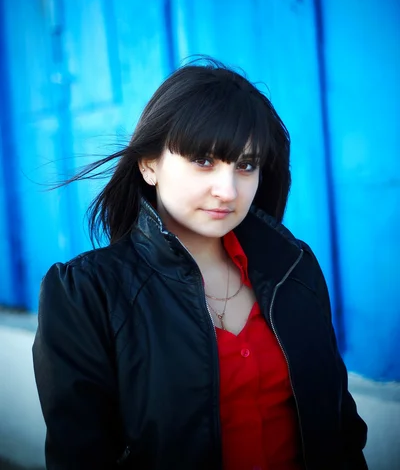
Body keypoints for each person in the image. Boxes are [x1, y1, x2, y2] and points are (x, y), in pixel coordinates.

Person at [33, 57, 368, 470]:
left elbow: (341, 428)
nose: (227, 190)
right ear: (149, 164)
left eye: (246, 165)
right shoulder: (88, 293)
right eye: (204, 161)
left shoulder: (292, 269)